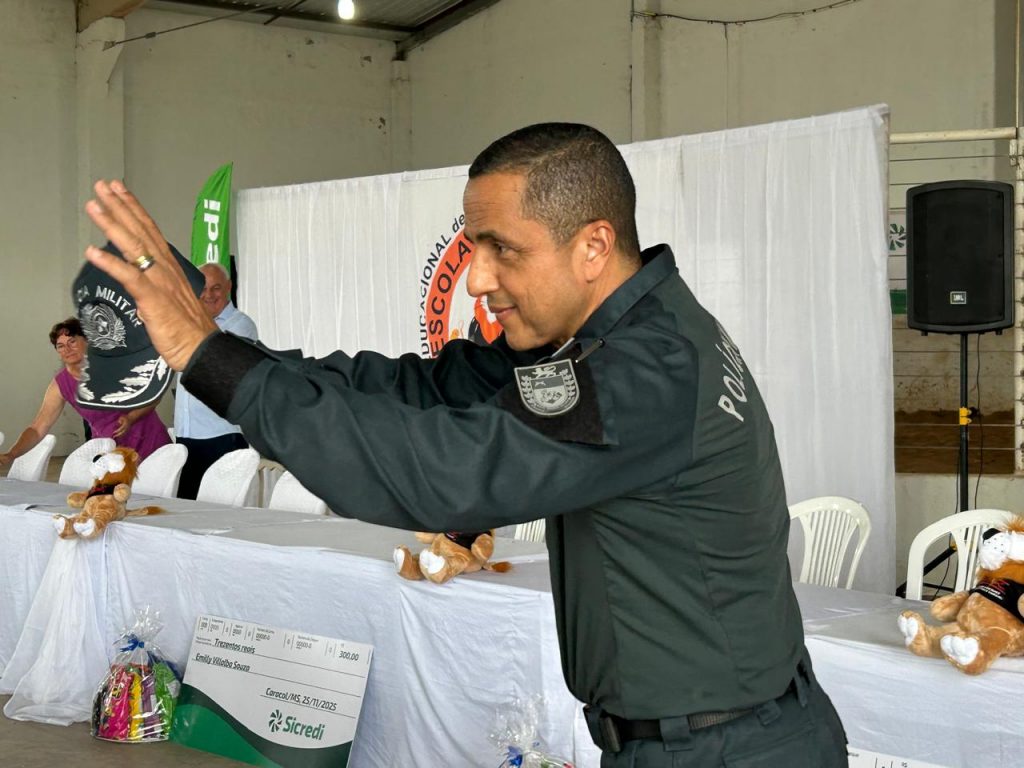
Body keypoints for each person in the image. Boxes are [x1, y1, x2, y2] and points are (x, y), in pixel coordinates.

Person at [82, 123, 847, 766]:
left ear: (592, 246)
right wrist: (221, 353)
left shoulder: (644, 373)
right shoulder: (608, 340)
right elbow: (425, 389)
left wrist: (207, 358)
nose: (477, 279)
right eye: (473, 247)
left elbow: (440, 475)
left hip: (727, 749)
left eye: (502, 249)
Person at [0, 318, 171, 469]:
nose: (67, 349)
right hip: (110, 454)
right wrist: (11, 454)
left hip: (150, 444)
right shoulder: (60, 385)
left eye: (72, 341)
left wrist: (131, 417)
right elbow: (37, 428)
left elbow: (153, 396)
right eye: (60, 346)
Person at [173, 262, 258, 499]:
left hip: (221, 436)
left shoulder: (241, 325)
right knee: (187, 509)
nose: (208, 294)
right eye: (202, 288)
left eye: (216, 288)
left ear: (229, 287)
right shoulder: (189, 323)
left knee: (219, 509)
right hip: (186, 435)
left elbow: (214, 362)